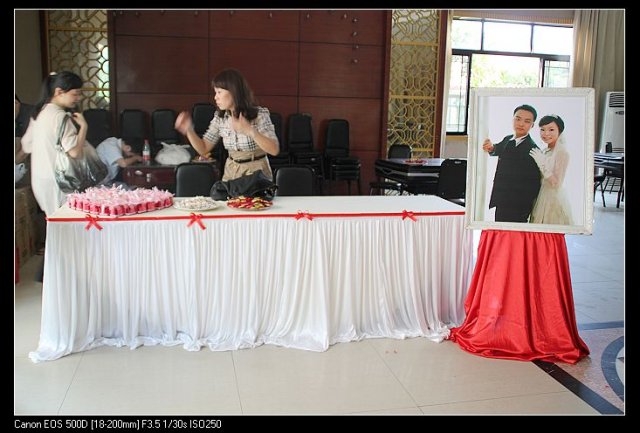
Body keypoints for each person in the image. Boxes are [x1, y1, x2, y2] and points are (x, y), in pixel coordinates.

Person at [174, 68, 279, 181]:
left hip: (257, 174)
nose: (215, 97)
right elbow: (204, 148)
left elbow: (274, 150)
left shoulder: (259, 114)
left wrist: (250, 131)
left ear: (234, 92)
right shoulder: (220, 117)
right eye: (215, 93)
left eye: (219, 92)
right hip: (231, 172)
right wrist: (189, 130)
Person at [21, 71, 87, 217]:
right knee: (65, 223)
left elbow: (26, 145)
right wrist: (83, 127)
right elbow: (75, 152)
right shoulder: (61, 117)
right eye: (75, 94)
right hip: (60, 182)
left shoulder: (38, 113)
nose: (78, 98)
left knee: (52, 221)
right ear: (59, 92)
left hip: (40, 180)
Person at [482, 104, 541, 223]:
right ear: (513, 119)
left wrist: (525, 205)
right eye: (518, 119)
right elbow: (497, 149)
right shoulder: (507, 139)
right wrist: (491, 148)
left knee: (514, 232)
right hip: (501, 198)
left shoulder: (533, 149)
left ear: (532, 125)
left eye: (527, 121)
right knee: (500, 229)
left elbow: (534, 183)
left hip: (518, 205)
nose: (521, 124)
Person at [528, 114, 573, 225]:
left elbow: (556, 183)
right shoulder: (544, 151)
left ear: (560, 131)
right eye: (542, 129)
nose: (546, 133)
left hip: (551, 198)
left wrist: (542, 163)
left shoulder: (562, 153)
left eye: (551, 130)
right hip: (540, 194)